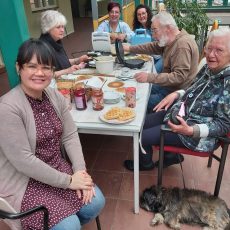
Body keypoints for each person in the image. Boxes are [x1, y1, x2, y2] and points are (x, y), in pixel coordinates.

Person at [0, 39, 105, 230]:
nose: (39, 73)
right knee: (69, 225)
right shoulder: (8, 108)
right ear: (18, 68)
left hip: (57, 168)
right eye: (32, 66)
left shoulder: (54, 95)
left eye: (46, 67)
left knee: (96, 203)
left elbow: (70, 134)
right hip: (24, 182)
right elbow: (24, 161)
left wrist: (80, 171)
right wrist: (69, 182)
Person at [124, 27, 230, 171]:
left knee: (141, 136)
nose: (211, 54)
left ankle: (145, 164)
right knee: (139, 124)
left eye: (219, 50)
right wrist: (177, 94)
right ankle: (170, 156)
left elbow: (224, 125)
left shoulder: (227, 83)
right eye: (209, 48)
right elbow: (193, 87)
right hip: (180, 114)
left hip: (194, 135)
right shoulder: (209, 68)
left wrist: (191, 130)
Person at [123, 11, 199, 112]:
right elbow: (152, 46)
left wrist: (149, 77)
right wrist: (130, 48)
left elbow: (179, 77)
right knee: (137, 89)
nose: (153, 36)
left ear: (167, 28)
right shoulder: (170, 39)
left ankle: (142, 124)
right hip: (168, 86)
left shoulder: (182, 45)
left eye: (155, 31)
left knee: (135, 101)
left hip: (174, 95)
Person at [40, 10, 89, 79]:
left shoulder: (56, 41)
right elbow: (44, 75)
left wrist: (78, 60)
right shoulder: (41, 48)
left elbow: (62, 62)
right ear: (47, 28)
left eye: (63, 26)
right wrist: (67, 71)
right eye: (58, 27)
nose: (62, 30)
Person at [133, 4, 163, 73]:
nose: (141, 16)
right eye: (139, 14)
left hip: (160, 57)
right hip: (148, 58)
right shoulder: (137, 30)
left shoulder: (155, 25)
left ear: (148, 14)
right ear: (136, 17)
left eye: (143, 13)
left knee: (151, 73)